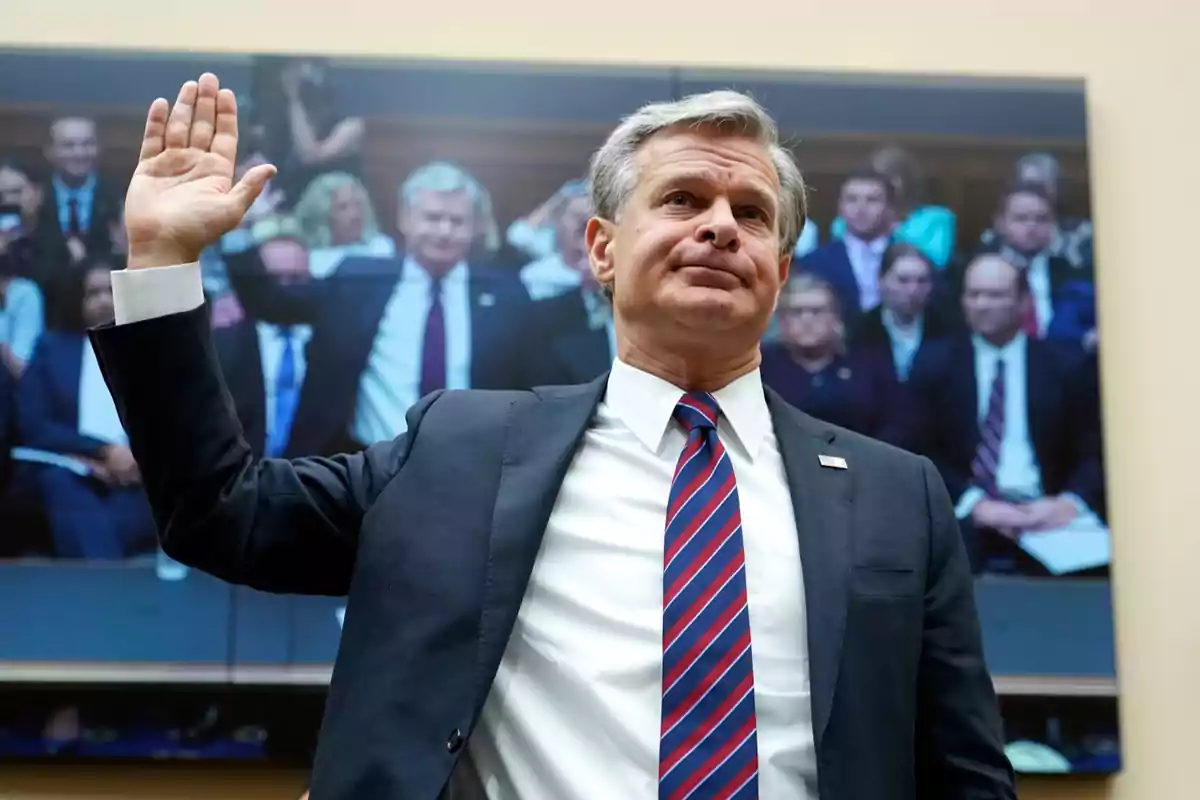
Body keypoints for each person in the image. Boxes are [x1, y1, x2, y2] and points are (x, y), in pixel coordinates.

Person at [91, 74, 1015, 799]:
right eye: (684, 198)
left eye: (753, 215)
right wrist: (165, 261)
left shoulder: (900, 496)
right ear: (602, 249)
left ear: (781, 266)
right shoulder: (461, 449)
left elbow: (968, 776)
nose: (720, 229)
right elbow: (221, 509)